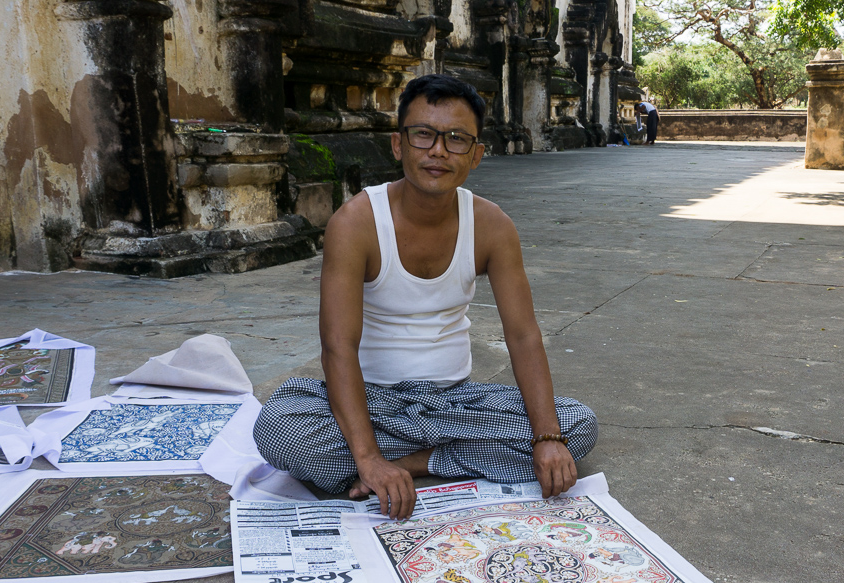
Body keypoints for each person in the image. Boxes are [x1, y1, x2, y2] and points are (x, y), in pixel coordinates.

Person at [253, 74, 597, 519]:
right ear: (398, 145)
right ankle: (408, 457)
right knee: (280, 430)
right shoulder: (356, 222)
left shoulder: (492, 225)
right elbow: (338, 346)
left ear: (476, 155)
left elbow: (524, 334)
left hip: (457, 401)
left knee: (574, 426)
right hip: (373, 400)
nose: (438, 151)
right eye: (423, 135)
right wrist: (366, 453)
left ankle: (413, 463)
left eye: (456, 139)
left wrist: (548, 439)